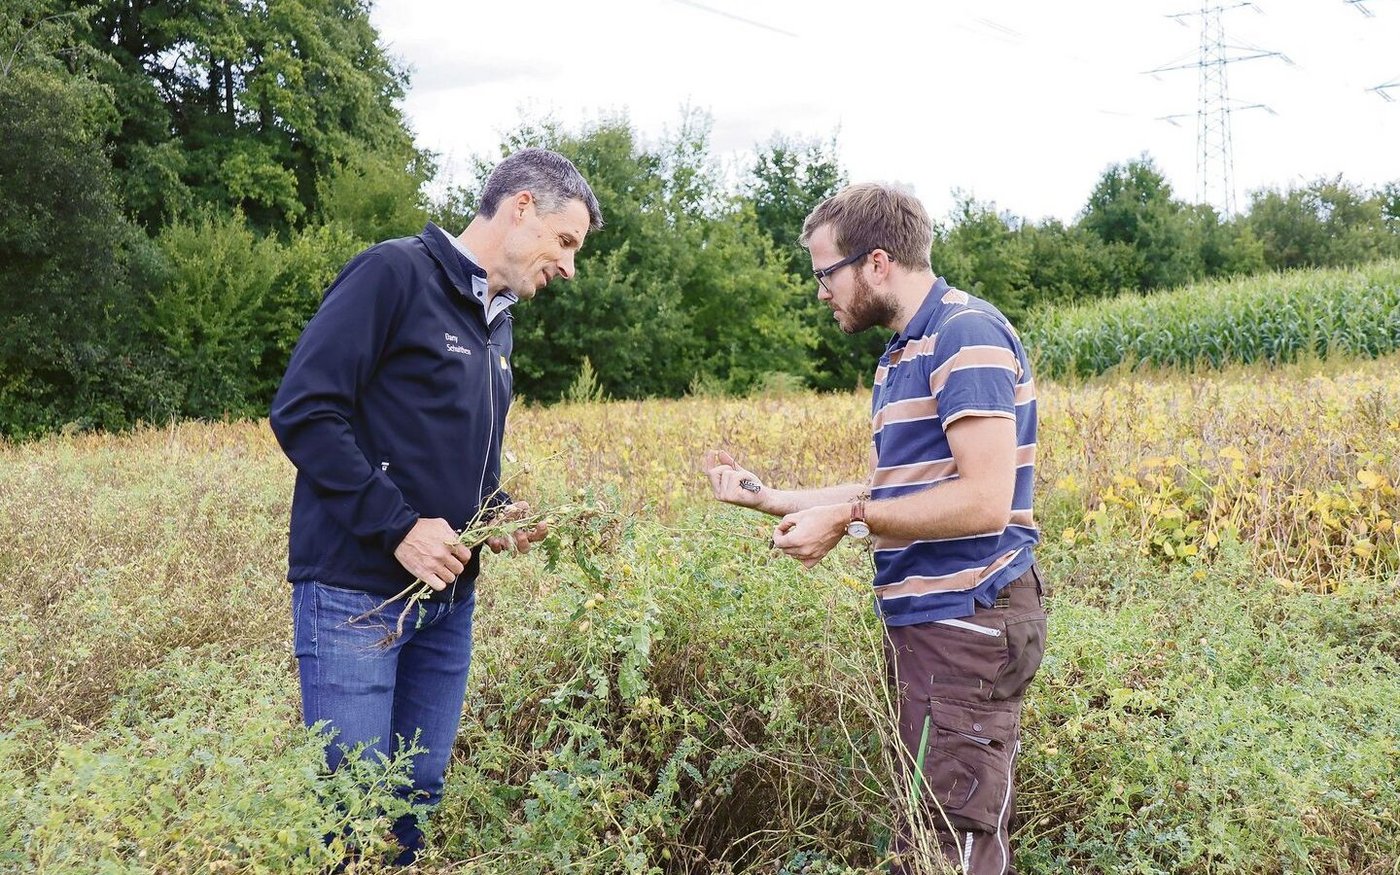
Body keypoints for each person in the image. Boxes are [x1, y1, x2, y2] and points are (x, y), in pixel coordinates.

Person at [269, 147, 603, 864]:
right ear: (520, 208)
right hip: (356, 597)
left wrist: (498, 509)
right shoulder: (392, 274)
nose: (570, 266)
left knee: (415, 793)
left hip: (447, 603)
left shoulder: (499, 320)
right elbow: (305, 411)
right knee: (355, 805)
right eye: (566, 241)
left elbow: (452, 458)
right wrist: (398, 527)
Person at [703, 183, 1046, 875]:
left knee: (951, 842)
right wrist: (769, 498)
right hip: (936, 626)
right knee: (925, 831)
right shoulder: (904, 352)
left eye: (825, 272)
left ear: (877, 261)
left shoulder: (964, 335)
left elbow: (985, 500)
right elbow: (894, 493)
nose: (822, 291)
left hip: (967, 619)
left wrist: (851, 518)